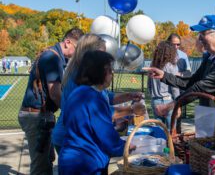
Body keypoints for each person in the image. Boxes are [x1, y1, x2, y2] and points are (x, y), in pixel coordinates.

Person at [143, 15, 215, 133]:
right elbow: (192, 81)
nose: (199, 39)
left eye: (203, 34)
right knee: (201, 151)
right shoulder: (211, 57)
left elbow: (203, 87)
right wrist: (165, 76)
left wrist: (173, 104)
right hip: (209, 117)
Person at [52, 34, 145, 154]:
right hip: (75, 142)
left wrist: (128, 96)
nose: (104, 57)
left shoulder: (86, 79)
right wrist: (131, 110)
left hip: (79, 141)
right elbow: (97, 111)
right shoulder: (79, 79)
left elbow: (106, 97)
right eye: (101, 53)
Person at [18, 27, 84, 175]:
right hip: (36, 116)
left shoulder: (52, 55)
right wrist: (70, 114)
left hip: (40, 114)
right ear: (67, 42)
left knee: (47, 160)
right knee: (41, 167)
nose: (77, 54)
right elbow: (55, 93)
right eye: (77, 49)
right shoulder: (52, 58)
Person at [59, 50, 136, 174]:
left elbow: (81, 126)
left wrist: (113, 126)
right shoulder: (94, 97)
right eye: (110, 70)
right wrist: (126, 147)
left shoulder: (78, 92)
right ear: (100, 72)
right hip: (86, 163)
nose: (112, 74)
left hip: (71, 159)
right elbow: (107, 138)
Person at [148, 41, 180, 131]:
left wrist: (153, 96)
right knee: (171, 133)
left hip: (155, 101)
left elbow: (149, 85)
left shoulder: (152, 65)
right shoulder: (170, 66)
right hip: (168, 101)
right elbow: (175, 87)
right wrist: (178, 104)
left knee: (159, 132)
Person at [167, 33, 191, 133]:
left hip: (178, 90)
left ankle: (177, 138)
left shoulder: (183, 55)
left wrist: (179, 73)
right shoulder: (162, 54)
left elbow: (189, 72)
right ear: (168, 43)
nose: (176, 47)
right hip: (165, 92)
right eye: (173, 44)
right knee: (166, 119)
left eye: (178, 44)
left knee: (177, 116)